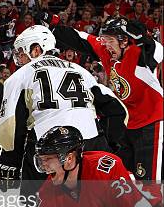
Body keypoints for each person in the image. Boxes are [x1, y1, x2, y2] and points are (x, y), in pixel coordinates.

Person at [0, 26, 127, 207]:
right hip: (92, 148)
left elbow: (11, 126)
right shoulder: (81, 70)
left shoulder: (22, 75)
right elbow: (117, 109)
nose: (17, 59)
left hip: (50, 152)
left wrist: (8, 160)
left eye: (21, 52)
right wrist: (109, 148)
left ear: (35, 49)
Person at [37, 14, 163, 183]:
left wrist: (142, 38)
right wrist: (54, 25)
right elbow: (79, 39)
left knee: (149, 174)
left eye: (111, 41)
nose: (106, 45)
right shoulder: (105, 51)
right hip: (131, 123)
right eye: (105, 40)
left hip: (153, 121)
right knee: (124, 168)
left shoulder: (139, 54)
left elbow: (155, 50)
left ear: (124, 41)